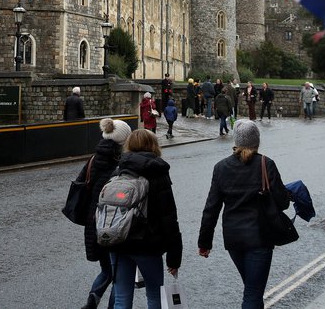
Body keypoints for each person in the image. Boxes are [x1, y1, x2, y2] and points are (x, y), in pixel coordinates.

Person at [197, 120, 290, 309]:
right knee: (253, 294)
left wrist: (204, 242)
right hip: (259, 237)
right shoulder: (266, 164)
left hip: (234, 239)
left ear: (236, 141)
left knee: (252, 288)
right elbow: (283, 203)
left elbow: (211, 208)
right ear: (256, 141)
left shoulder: (221, 167)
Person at [110, 129, 183, 309]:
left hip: (118, 241)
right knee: (154, 295)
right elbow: (168, 217)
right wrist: (174, 258)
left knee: (121, 297)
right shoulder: (157, 172)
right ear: (153, 145)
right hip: (147, 244)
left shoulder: (119, 170)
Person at [81, 118, 132, 309]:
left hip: (93, 221)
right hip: (113, 222)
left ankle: (93, 298)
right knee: (118, 273)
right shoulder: (121, 163)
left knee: (107, 269)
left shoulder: (93, 159)